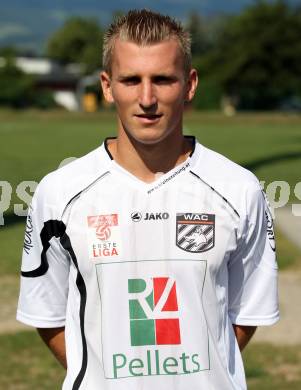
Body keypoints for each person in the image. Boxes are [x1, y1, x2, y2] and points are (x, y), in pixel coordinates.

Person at [17, 9, 279, 390]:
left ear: (189, 84)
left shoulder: (239, 188)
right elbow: (47, 313)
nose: (146, 98)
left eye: (162, 79)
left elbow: (246, 312)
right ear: (107, 86)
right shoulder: (59, 191)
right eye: (130, 80)